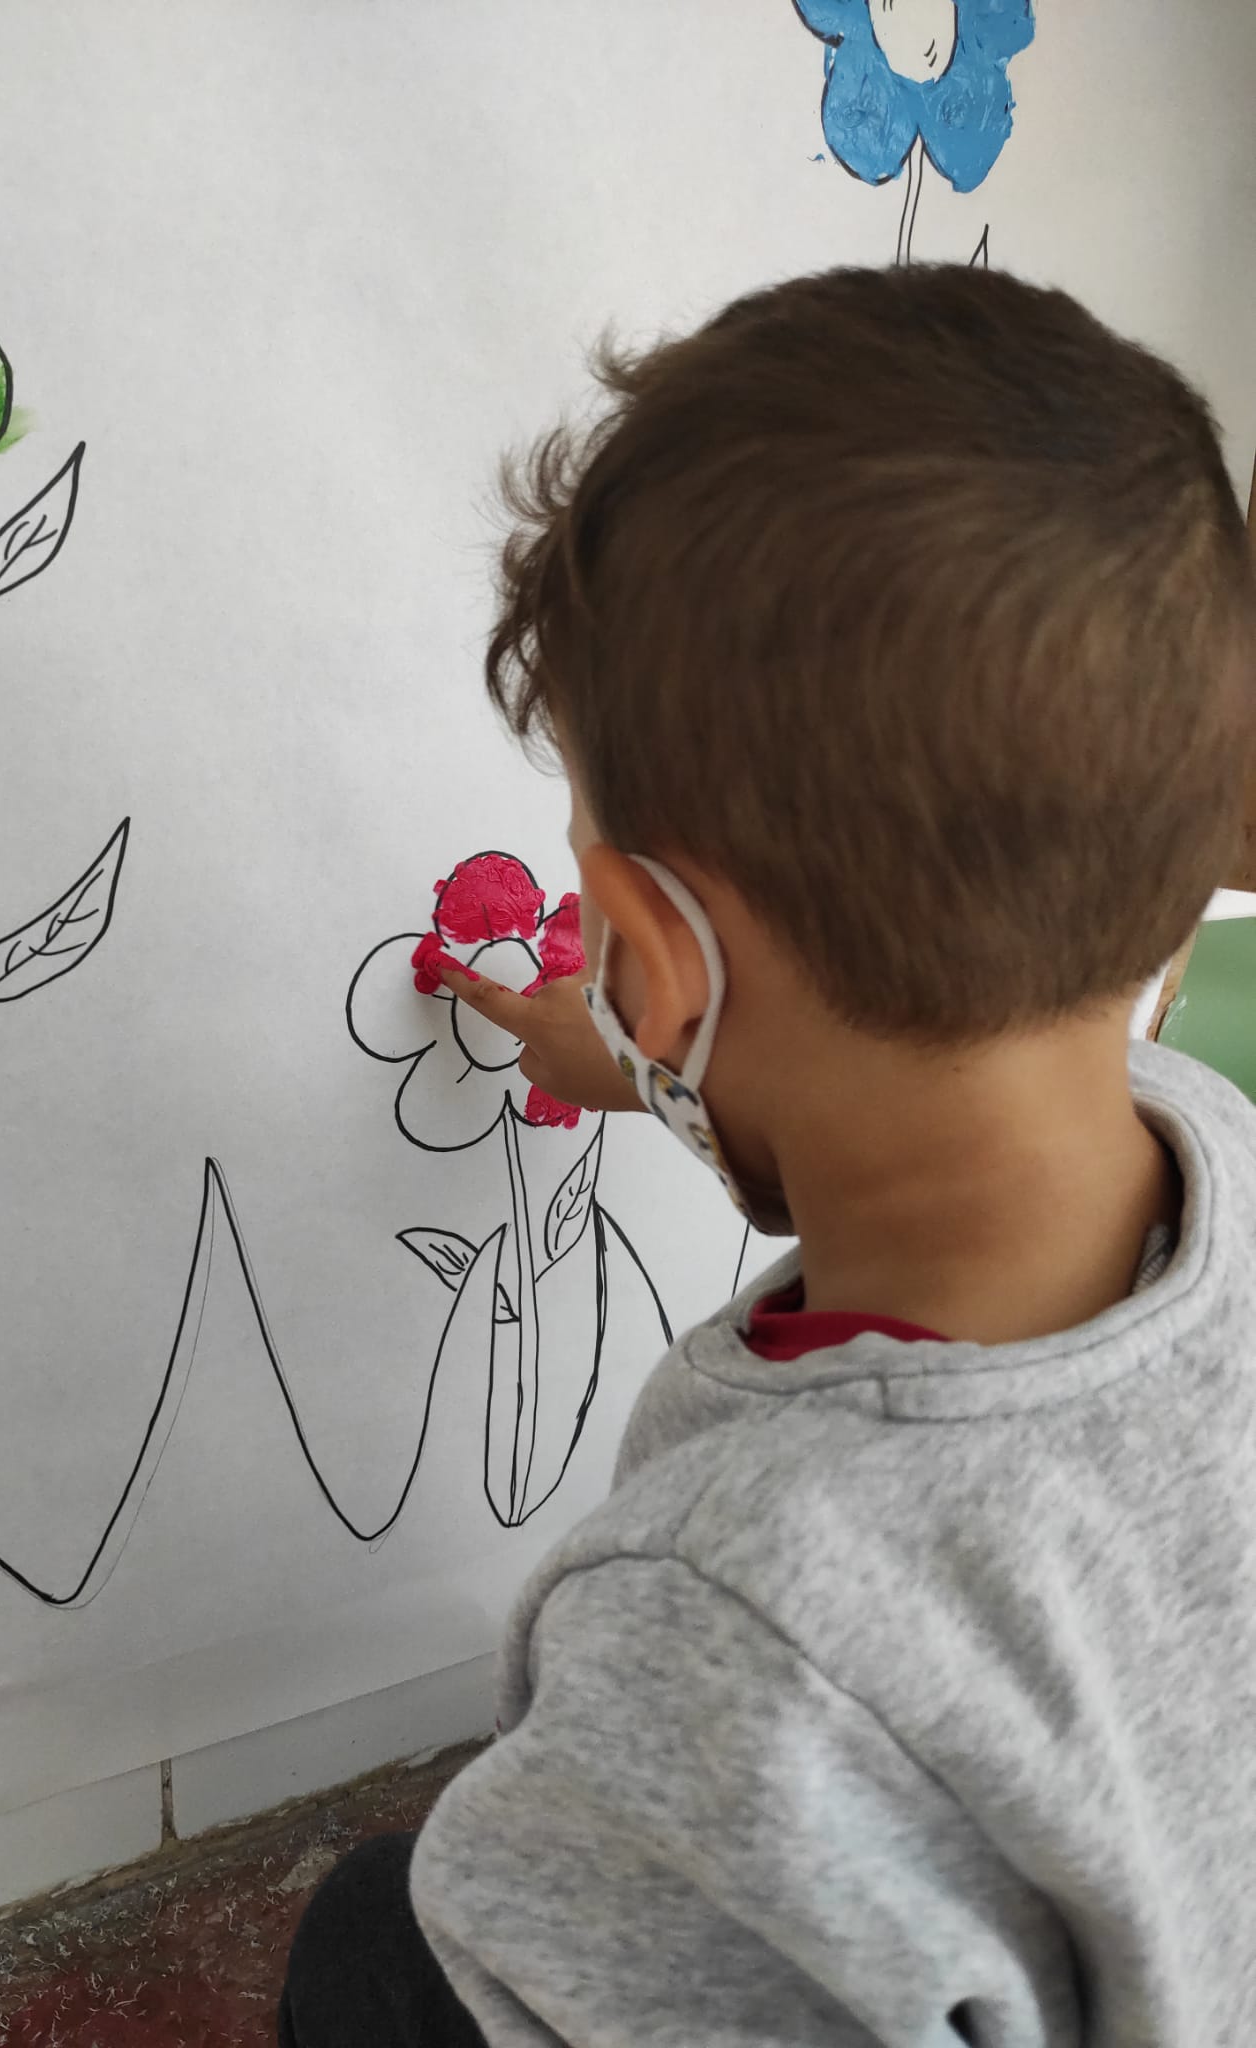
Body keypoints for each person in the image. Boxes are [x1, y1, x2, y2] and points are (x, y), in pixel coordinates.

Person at [278, 264, 1256, 2047]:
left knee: (368, 1939)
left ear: (652, 957)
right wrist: (639, 1055)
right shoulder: (1221, 1149)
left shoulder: (741, 1625)